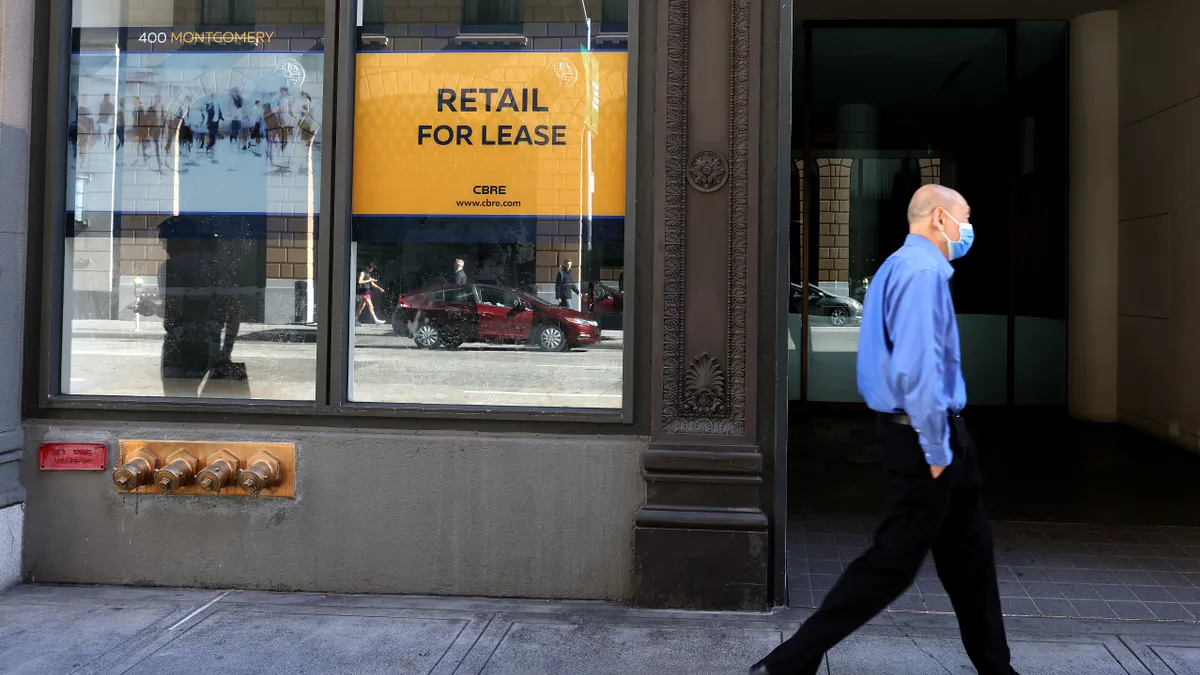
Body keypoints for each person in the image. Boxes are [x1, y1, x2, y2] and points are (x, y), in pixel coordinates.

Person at [750, 185, 1019, 675]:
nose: (969, 228)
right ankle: (787, 663)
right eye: (967, 216)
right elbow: (917, 369)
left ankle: (997, 669)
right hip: (927, 437)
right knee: (890, 565)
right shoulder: (920, 273)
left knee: (971, 562)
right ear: (941, 218)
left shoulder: (901, 266)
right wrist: (938, 449)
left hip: (929, 434)